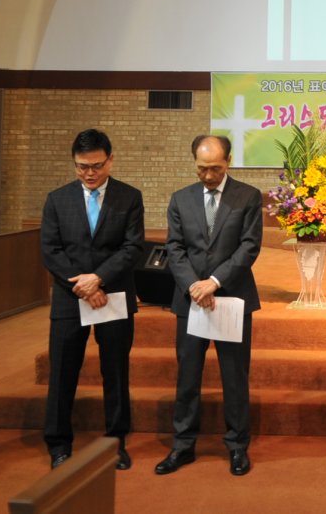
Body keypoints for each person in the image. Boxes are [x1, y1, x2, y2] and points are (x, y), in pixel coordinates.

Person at [156, 135, 263, 478]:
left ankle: (237, 445)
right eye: (202, 168)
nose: (208, 175)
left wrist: (214, 282)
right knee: (187, 376)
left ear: (228, 161)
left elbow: (249, 247)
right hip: (191, 301)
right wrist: (193, 285)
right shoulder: (180, 199)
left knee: (234, 376)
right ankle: (183, 444)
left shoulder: (247, 196)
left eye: (215, 168)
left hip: (231, 297)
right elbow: (174, 248)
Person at [40, 128, 144, 470]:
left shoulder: (129, 197)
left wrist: (98, 279)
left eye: (96, 166)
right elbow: (51, 250)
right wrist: (83, 285)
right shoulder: (57, 199)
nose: (89, 173)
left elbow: (132, 247)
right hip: (70, 297)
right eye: (82, 166)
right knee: (62, 372)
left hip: (112, 295)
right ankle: (58, 444)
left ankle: (115, 442)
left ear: (110, 160)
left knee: (115, 371)